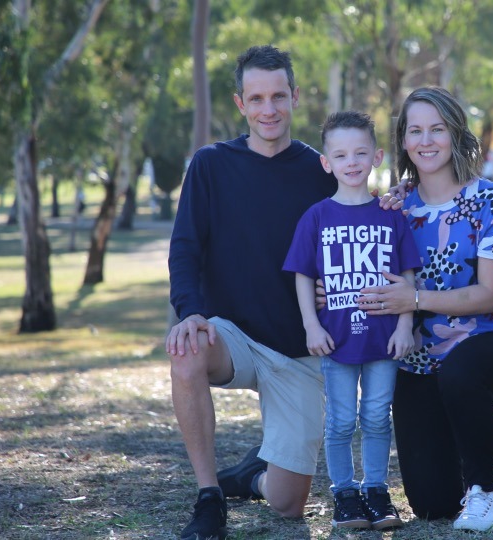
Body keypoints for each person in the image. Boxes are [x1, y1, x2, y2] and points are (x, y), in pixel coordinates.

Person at [165, 44, 336, 540]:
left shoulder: (319, 171)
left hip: (298, 349)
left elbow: (351, 232)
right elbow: (184, 250)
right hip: (232, 336)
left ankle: (252, 476)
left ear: (295, 97)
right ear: (241, 103)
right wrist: (190, 313)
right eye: (256, 98)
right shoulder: (210, 165)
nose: (269, 109)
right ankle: (209, 497)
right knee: (186, 349)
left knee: (288, 505)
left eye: (278, 96)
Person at [360, 87, 493, 532]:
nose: (426, 140)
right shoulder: (394, 208)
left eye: (437, 128)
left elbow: (491, 294)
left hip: (484, 349)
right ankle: (456, 457)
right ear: (403, 140)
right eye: (415, 130)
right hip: (417, 363)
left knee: (459, 373)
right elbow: (367, 279)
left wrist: (415, 300)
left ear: (455, 134)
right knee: (432, 506)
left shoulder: (491, 201)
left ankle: (483, 493)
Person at [283, 111, 420, 531]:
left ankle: (376, 490)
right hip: (336, 340)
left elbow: (408, 275)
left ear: (376, 156)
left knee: (377, 416)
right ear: (327, 163)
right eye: (341, 155)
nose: (352, 162)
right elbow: (304, 275)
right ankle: (345, 494)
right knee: (342, 420)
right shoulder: (317, 216)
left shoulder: (390, 215)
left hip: (383, 338)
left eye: (361, 152)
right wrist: (311, 325)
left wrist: (403, 326)